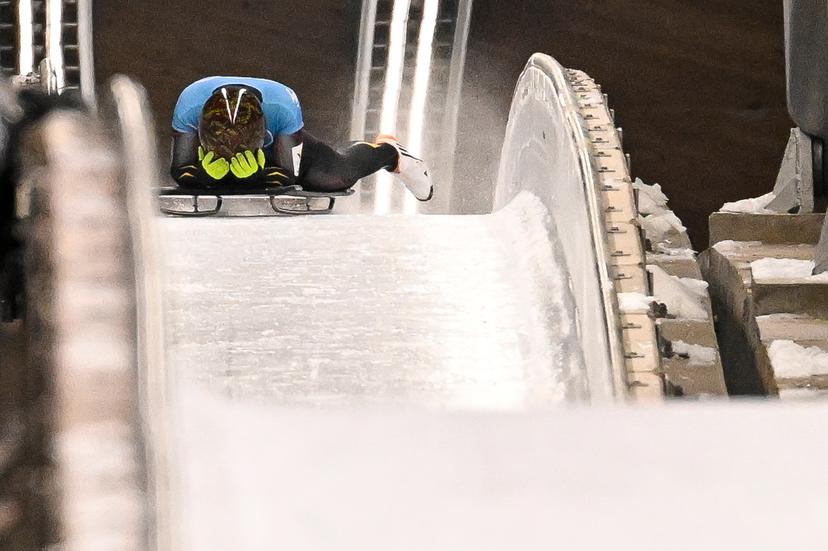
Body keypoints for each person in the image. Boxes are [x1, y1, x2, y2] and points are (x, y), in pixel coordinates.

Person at [170, 76, 433, 201]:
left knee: (336, 178)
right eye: (223, 141)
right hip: (210, 157)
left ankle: (389, 152)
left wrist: (254, 176)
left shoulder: (283, 106)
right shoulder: (189, 104)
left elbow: (287, 176)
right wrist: (203, 174)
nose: (232, 150)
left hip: (277, 149)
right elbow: (180, 169)